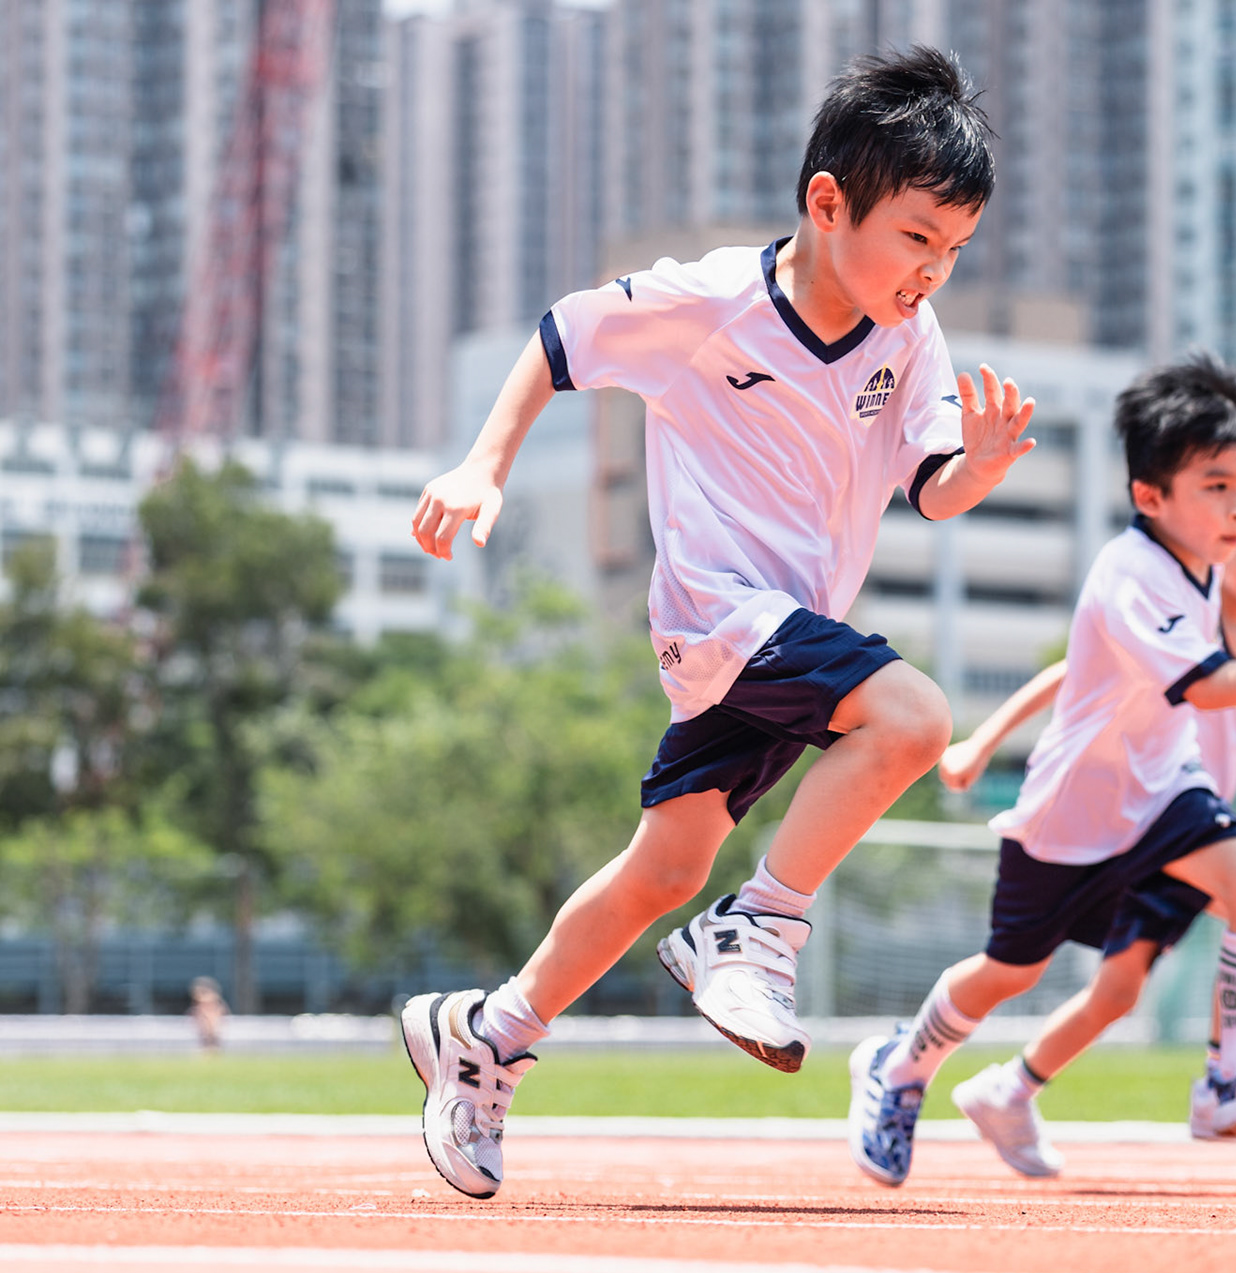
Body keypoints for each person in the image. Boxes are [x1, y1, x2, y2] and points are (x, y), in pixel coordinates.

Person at [401, 47, 1037, 1201]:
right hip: (717, 617)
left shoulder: (909, 338)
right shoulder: (709, 304)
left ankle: (485, 1037)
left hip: (783, 639)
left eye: (953, 251)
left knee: (663, 867)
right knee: (912, 716)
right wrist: (480, 465)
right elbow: (559, 338)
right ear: (828, 201)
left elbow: (930, 483)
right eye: (915, 239)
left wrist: (978, 466)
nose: (932, 272)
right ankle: (757, 930)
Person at [848, 357, 1236, 1187]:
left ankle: (1229, 1080)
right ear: (1151, 496)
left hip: (1165, 790)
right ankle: (900, 1066)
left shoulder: (1202, 568)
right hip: (1073, 814)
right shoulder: (1132, 576)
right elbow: (1206, 683)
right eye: (1217, 487)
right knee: (1008, 973)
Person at [935, 460, 1236, 1176]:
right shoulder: (1169, 609)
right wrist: (983, 740)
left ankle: (1010, 1088)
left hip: (1185, 829)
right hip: (1126, 816)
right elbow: (1066, 677)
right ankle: (1229, 1077)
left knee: (1119, 991)